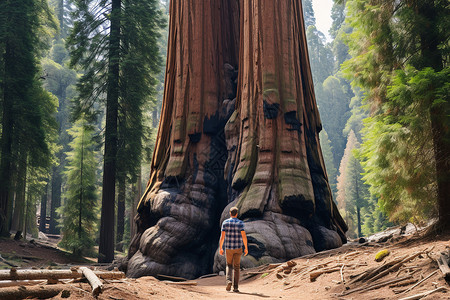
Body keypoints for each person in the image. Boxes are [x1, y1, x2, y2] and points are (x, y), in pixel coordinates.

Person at [219, 206, 248, 292]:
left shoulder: (225, 222)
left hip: (228, 248)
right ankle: (235, 287)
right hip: (238, 248)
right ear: (237, 214)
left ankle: (228, 281)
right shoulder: (240, 223)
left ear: (230, 213)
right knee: (236, 267)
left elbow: (222, 237)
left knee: (229, 265)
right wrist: (246, 247)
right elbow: (244, 236)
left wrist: (221, 247)